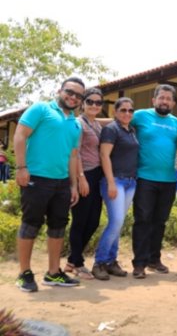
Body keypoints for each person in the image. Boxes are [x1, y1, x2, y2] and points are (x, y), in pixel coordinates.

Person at [13, 77, 85, 292]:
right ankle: (24, 273)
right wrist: (21, 167)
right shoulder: (41, 109)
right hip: (36, 177)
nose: (73, 97)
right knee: (30, 224)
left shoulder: (75, 123)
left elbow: (73, 157)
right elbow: (19, 135)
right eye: (69, 92)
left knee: (58, 225)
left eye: (78, 95)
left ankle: (53, 273)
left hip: (62, 183)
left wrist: (73, 185)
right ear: (60, 90)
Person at [131, 84, 177, 279]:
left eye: (168, 99)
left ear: (173, 103)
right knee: (143, 220)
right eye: (162, 98)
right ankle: (139, 263)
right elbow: (119, 122)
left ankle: (154, 259)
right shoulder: (140, 116)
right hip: (145, 178)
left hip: (168, 179)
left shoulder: (176, 122)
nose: (165, 101)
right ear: (154, 100)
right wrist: (85, 120)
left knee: (160, 222)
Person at [92, 97, 140, 280]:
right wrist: (111, 182)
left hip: (130, 182)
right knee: (116, 221)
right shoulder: (112, 129)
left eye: (130, 110)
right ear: (115, 112)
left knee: (118, 224)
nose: (127, 113)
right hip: (115, 181)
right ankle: (99, 262)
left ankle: (111, 261)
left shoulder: (132, 130)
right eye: (123, 110)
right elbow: (104, 155)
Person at [65, 88, 105, 280]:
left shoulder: (96, 123)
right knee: (80, 220)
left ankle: (72, 259)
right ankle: (78, 264)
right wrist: (80, 178)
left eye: (98, 103)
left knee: (94, 221)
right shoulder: (78, 124)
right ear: (83, 103)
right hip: (84, 174)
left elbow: (107, 122)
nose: (94, 105)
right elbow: (76, 152)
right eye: (90, 102)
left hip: (97, 175)